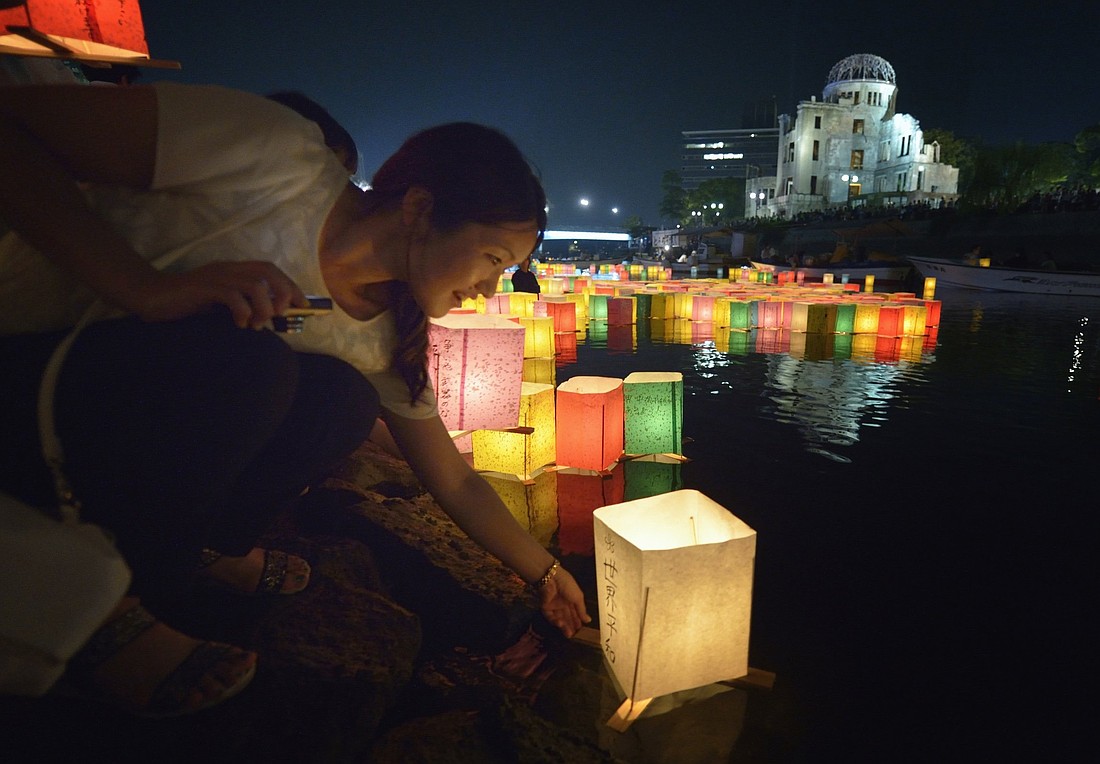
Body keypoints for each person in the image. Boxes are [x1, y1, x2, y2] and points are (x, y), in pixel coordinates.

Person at [0, 82, 589, 716]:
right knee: (252, 367)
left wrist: (548, 575)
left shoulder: (383, 334)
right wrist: (145, 289)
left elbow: (454, 477)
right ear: (419, 207)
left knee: (339, 402)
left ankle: (189, 558)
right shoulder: (275, 154)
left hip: (93, 430)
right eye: (493, 257)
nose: (489, 287)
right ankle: (107, 612)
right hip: (25, 371)